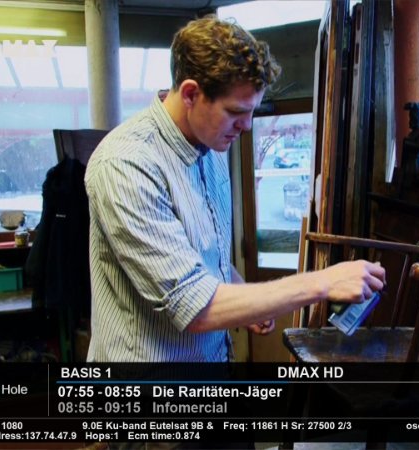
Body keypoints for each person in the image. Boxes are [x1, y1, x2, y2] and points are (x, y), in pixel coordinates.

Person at [85, 15, 385, 363]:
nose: (246, 126)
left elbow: (207, 256)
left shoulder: (211, 144)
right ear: (191, 94)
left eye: (252, 111)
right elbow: (194, 308)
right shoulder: (126, 164)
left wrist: (243, 295)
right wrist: (323, 283)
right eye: (236, 112)